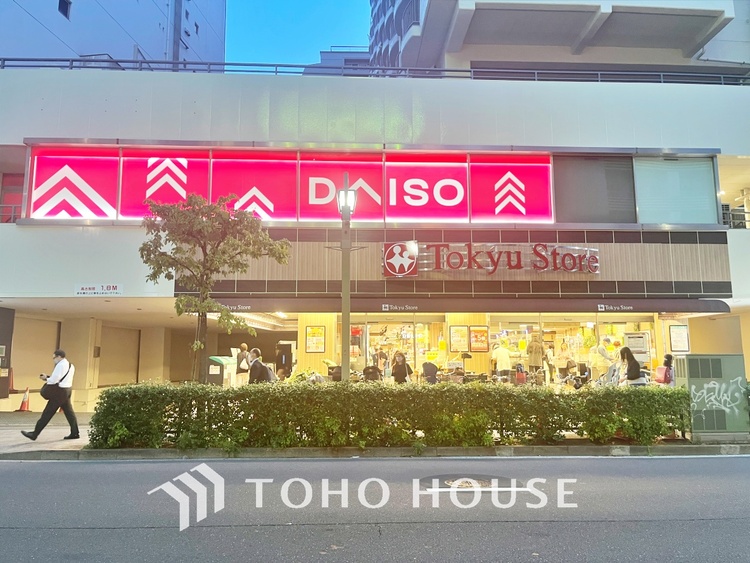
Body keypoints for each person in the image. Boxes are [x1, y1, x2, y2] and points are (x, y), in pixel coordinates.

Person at [21, 349, 79, 441]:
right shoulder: (71, 365)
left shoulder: (60, 365)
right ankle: (75, 433)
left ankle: (34, 434)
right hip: (67, 390)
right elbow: (61, 378)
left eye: (54, 357)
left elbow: (54, 380)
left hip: (59, 392)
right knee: (69, 413)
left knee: (47, 413)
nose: (53, 359)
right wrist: (48, 377)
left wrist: (46, 378)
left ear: (59, 356)